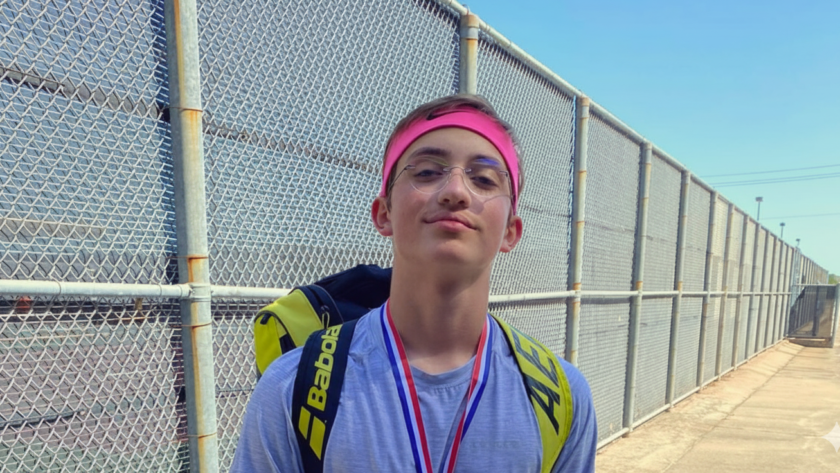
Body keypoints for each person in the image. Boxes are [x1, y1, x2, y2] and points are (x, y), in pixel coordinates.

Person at [232, 94, 597, 472]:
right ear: (383, 213)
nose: (455, 190)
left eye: (484, 178)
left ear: (510, 231)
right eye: (426, 172)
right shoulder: (292, 387)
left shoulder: (559, 396)